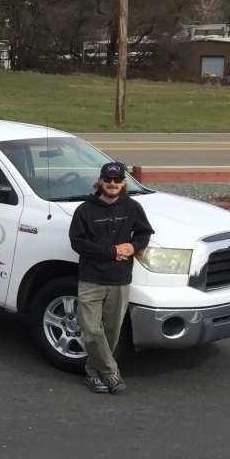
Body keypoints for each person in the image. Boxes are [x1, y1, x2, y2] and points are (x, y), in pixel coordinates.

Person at [68, 161, 154, 394]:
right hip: (91, 278)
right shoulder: (85, 210)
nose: (112, 184)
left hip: (119, 279)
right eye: (108, 179)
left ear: (124, 182)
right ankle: (110, 372)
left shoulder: (132, 208)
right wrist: (111, 252)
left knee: (111, 332)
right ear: (100, 181)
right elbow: (78, 242)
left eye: (117, 180)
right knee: (91, 329)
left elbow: (145, 234)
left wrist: (131, 245)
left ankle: (93, 374)